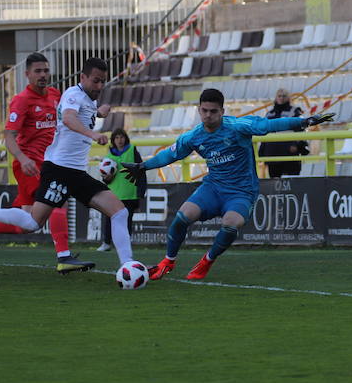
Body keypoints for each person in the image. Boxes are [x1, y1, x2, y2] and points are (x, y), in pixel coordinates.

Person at [119, 88, 334, 281]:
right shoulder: (195, 136)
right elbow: (170, 154)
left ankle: (206, 261)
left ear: (222, 111)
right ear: (199, 110)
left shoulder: (238, 127)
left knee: (232, 223)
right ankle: (168, 261)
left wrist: (303, 122)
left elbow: (269, 125)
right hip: (213, 188)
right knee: (182, 216)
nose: (208, 115)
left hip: (242, 191)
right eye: (204, 111)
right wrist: (143, 166)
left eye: (213, 111)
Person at [0, 58, 136, 270]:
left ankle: (128, 265)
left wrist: (98, 112)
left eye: (102, 82)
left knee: (119, 212)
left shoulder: (66, 96)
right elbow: (68, 118)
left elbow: (71, 114)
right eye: (95, 81)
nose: (99, 86)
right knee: (36, 220)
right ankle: (63, 257)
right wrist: (92, 134)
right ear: (82, 77)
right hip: (52, 167)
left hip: (74, 171)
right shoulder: (69, 94)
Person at [97, 128, 146, 252]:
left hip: (130, 194)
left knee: (127, 221)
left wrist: (141, 191)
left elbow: (141, 170)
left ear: (126, 138)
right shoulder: (108, 156)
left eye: (122, 137)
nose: (120, 140)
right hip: (113, 194)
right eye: (117, 138)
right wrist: (106, 179)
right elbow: (106, 179)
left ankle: (125, 244)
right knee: (109, 219)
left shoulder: (132, 150)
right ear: (113, 140)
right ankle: (106, 242)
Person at [258, 88, 309, 178]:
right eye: (279, 96)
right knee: (274, 182)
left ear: (288, 98)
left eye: (284, 96)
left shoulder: (294, 111)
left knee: (292, 182)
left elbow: (302, 129)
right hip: (273, 154)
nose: (281, 98)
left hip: (289, 152)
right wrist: (262, 151)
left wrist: (297, 145)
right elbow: (264, 132)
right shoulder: (269, 114)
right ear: (276, 98)